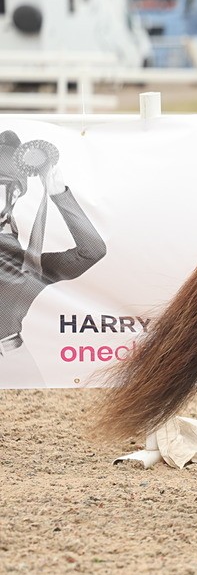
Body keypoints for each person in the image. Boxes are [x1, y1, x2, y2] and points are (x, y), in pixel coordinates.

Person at [0, 132, 106, 387]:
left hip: (13, 365)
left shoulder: (29, 264)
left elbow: (92, 250)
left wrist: (59, 194)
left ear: (13, 196)